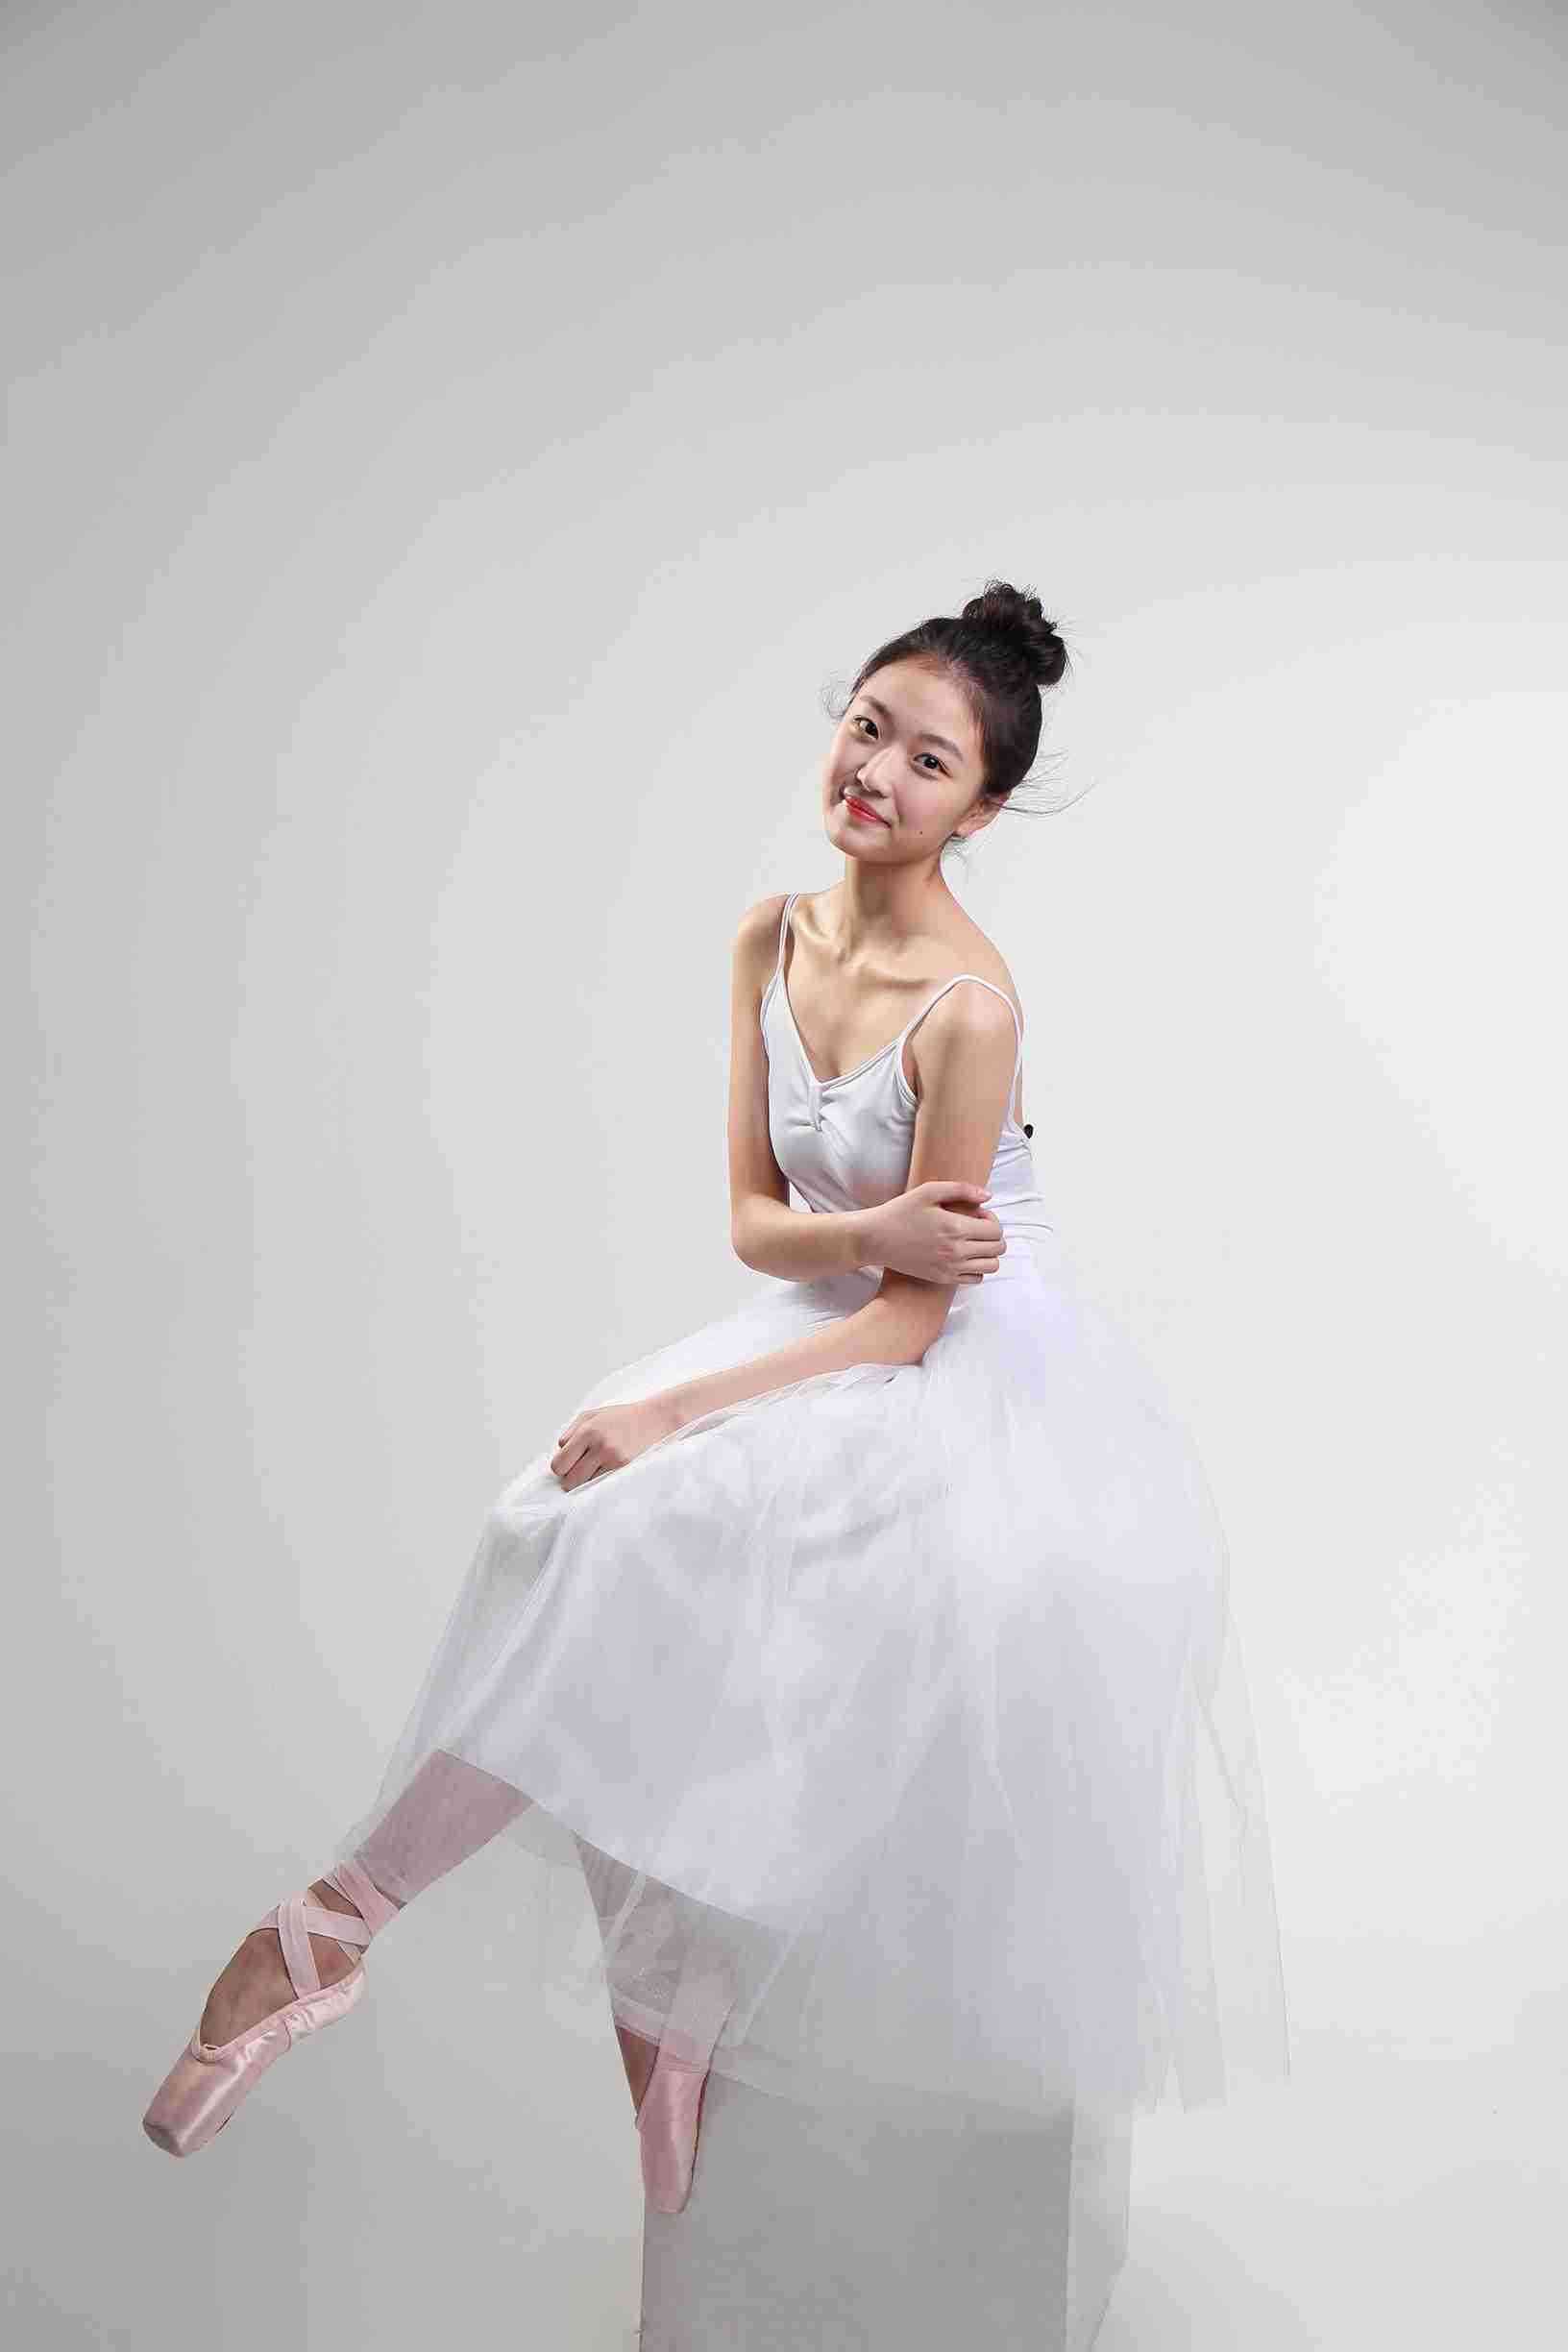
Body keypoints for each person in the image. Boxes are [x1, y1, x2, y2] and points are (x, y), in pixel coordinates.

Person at [142, 580, 1288, 2332]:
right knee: (554, 1548)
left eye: (929, 762)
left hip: (958, 1372)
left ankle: (336, 1927)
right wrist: (864, 1230)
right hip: (823, 1311)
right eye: (867, 728)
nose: (877, 773)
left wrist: (681, 1406)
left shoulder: (973, 1009)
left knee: (627, 1559)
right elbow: (759, 1223)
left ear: (979, 812)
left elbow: (915, 1321)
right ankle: (621, 1995)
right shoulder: (771, 936)